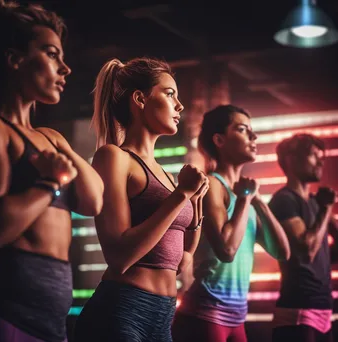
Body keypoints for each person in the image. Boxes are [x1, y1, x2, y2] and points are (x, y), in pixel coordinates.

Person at [73, 57, 209, 342]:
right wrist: (181, 195)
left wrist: (195, 201)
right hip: (121, 311)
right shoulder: (114, 157)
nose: (179, 105)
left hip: (162, 316)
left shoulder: (168, 176)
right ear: (140, 99)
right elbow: (119, 258)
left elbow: (182, 261)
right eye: (170, 94)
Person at [0, 1, 104, 341]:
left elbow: (92, 202)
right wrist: (49, 182)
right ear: (15, 60)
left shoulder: (51, 139)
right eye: (52, 54)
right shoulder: (0, 133)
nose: (66, 69)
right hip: (10, 313)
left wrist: (63, 154)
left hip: (53, 321)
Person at [172, 104, 291, 342]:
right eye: (242, 129)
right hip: (205, 315)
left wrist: (258, 201)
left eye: (252, 130)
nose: (253, 136)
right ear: (220, 140)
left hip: (237, 319)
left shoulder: (244, 197)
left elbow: (283, 252)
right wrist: (245, 199)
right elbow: (226, 251)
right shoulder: (213, 185)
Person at [269, 134, 338, 342]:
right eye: (313, 156)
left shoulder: (316, 204)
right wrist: (326, 209)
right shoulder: (284, 201)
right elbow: (306, 251)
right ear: (291, 159)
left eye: (322, 157)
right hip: (298, 313)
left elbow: (323, 255)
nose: (320, 162)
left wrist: (325, 212)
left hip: (324, 309)